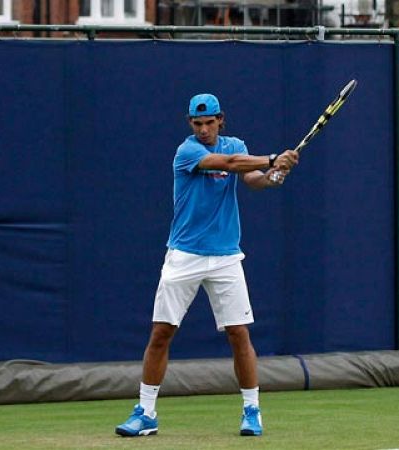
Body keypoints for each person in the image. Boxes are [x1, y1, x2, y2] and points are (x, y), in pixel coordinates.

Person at [115, 93, 299, 437]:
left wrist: (274, 175)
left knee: (238, 333)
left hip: (227, 256)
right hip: (183, 254)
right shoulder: (187, 152)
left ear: (220, 120)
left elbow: (252, 179)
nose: (203, 129)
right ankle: (146, 412)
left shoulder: (237, 144)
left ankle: (252, 411)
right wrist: (273, 157)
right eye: (197, 123)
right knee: (161, 333)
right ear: (190, 124)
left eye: (208, 122)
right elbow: (228, 164)